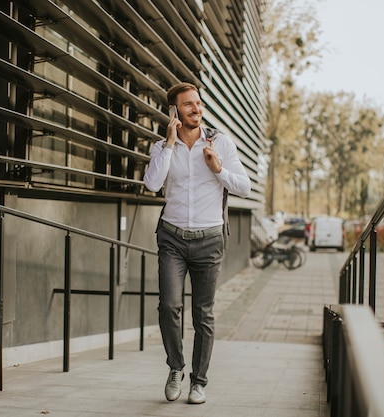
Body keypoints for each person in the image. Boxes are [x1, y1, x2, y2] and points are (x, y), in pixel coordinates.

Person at [143, 82, 251, 404]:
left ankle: (199, 381)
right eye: (188, 105)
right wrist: (170, 144)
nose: (196, 109)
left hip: (209, 240)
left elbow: (244, 186)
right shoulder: (162, 147)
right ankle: (175, 366)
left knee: (203, 314)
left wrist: (218, 170)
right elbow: (152, 184)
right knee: (169, 307)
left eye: (198, 103)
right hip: (172, 238)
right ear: (174, 111)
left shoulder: (221, 143)